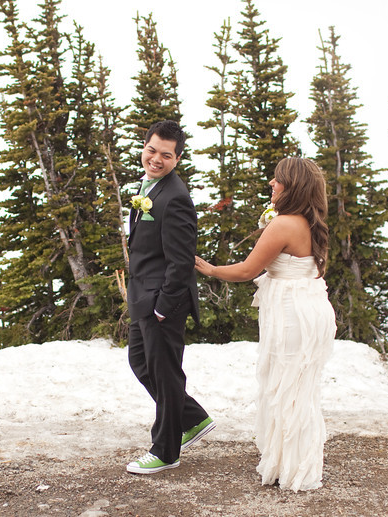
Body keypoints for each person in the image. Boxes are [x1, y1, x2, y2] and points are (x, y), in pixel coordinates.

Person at [194, 157, 336, 491]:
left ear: (293, 186)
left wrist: (211, 270)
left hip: (293, 314)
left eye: (277, 179)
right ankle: (292, 465)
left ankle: (293, 469)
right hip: (310, 308)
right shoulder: (308, 222)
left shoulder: (284, 223)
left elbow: (247, 270)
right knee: (298, 390)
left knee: (286, 389)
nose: (272, 183)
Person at [125, 120, 215, 475]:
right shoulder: (150, 186)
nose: (156, 159)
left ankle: (165, 451)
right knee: (140, 362)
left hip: (161, 301)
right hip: (142, 296)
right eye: (151, 150)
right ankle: (191, 418)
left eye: (166, 155)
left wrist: (164, 306)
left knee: (165, 374)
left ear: (177, 158)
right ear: (144, 147)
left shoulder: (176, 197)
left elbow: (181, 260)